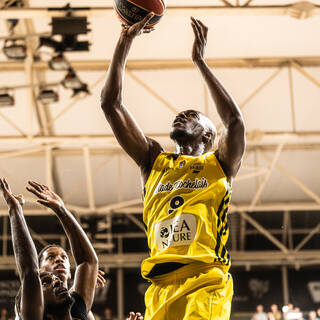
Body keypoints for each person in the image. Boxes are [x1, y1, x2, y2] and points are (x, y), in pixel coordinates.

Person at [100, 12, 245, 320]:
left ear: (208, 134)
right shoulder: (152, 159)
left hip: (206, 280)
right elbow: (109, 104)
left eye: (192, 115)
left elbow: (234, 121)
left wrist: (200, 63)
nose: (181, 116)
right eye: (180, 114)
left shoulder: (218, 163)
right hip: (160, 285)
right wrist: (124, 41)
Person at [0, 177, 98, 320]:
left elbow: (88, 262)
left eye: (64, 257)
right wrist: (15, 210)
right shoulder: (31, 312)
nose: (56, 280)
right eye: (51, 257)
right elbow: (29, 271)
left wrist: (61, 209)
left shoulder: (78, 309)